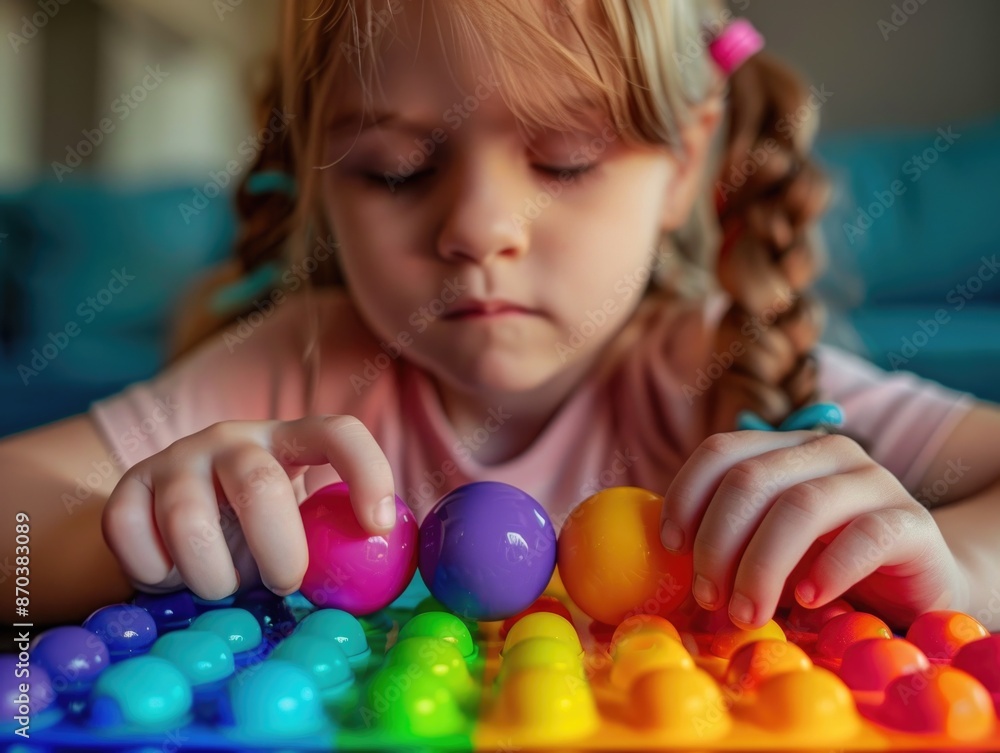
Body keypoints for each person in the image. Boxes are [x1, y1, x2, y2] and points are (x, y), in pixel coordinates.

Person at [2, 0, 998, 634]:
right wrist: (134, 527)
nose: (478, 230)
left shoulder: (715, 364)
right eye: (395, 168)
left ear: (685, 165)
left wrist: (957, 565)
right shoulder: (297, 369)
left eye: (564, 157)